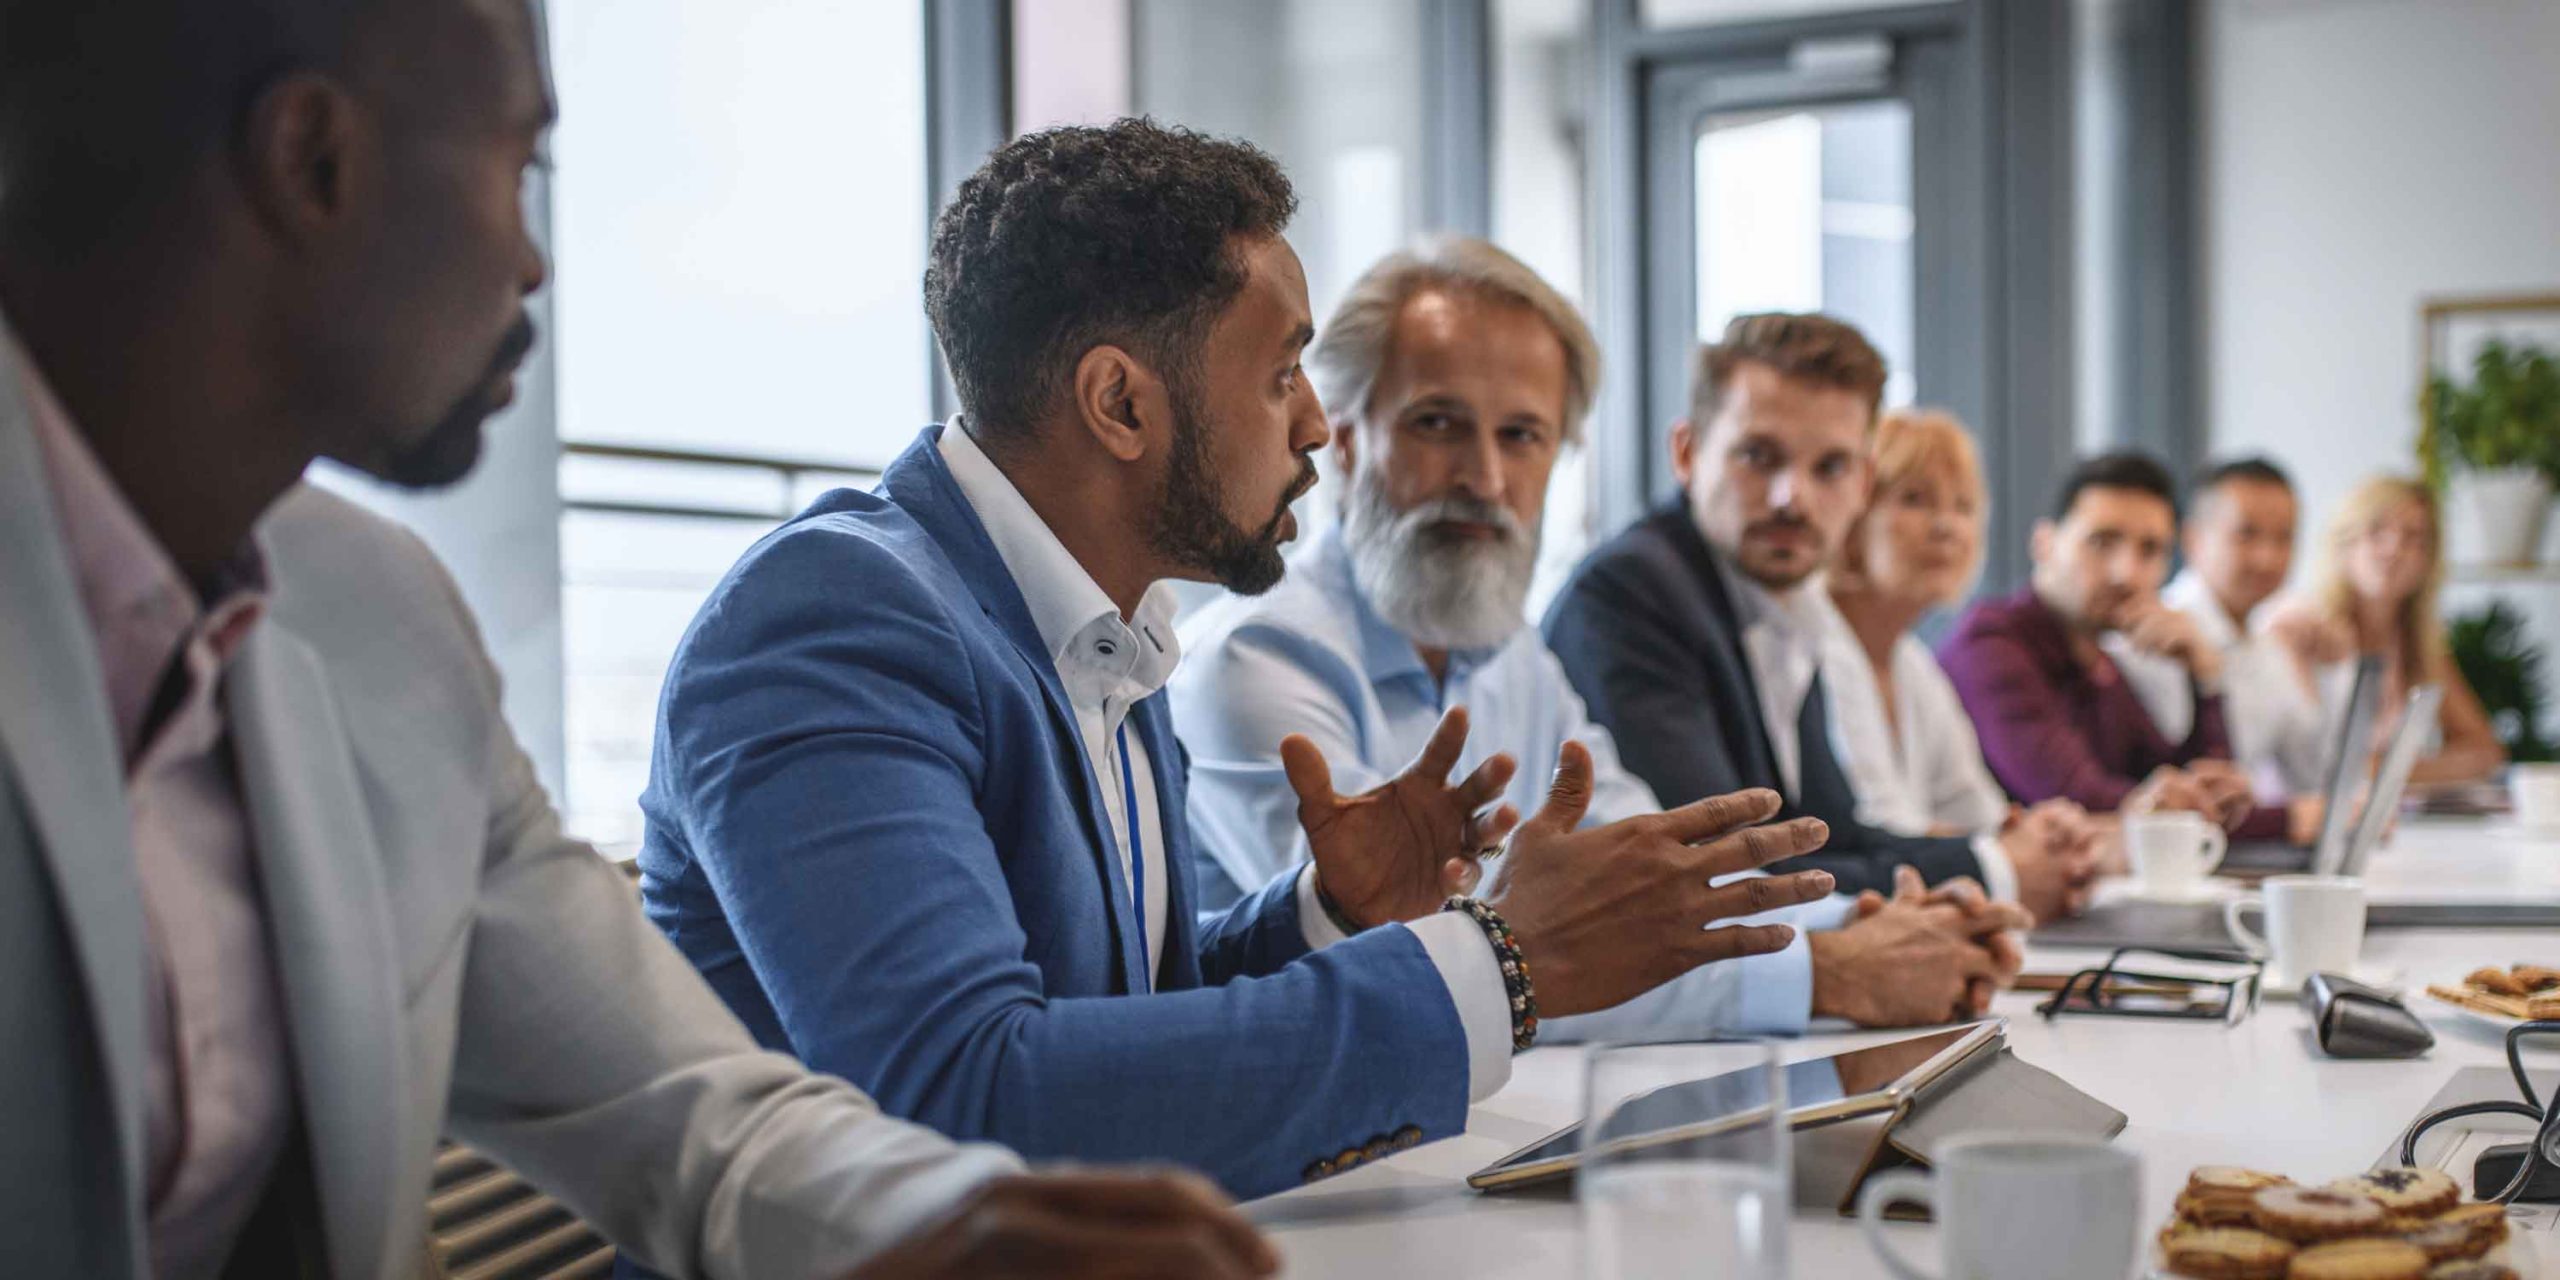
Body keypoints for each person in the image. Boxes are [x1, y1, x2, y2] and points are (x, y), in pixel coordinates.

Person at [0, 3, 1283, 1279]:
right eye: (522, 168)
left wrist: (932, 1222)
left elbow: (689, 1114)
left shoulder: (378, 617)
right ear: (312, 160)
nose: (533, 262)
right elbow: (957, 1070)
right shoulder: (848, 607)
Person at [637, 120, 1839, 1204]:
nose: (1317, 424)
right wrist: (1500, 962)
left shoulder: (1108, 625)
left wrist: (1324, 913)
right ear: (1120, 402)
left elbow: (1113, 1013)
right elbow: (964, 1095)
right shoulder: (834, 619)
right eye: (1280, 375)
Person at [1174, 240, 2029, 1038]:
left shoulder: (1509, 649)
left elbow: (1650, 874)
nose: (1485, 477)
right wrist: (1825, 971)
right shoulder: (1259, 659)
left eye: (1522, 435)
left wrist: (1882, 924)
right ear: (1350, 441)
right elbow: (1417, 968)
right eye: (1437, 424)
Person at [1543, 313, 2099, 921]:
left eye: (1829, 468)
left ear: (1862, 483)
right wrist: (1997, 870)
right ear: (1687, 453)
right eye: (1759, 456)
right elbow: (1732, 871)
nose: (1793, 498)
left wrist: (1997, 852)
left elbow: (1826, 833)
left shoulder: (1788, 603)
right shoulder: (1631, 594)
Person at [1938, 454, 2319, 846]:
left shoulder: (2099, 662)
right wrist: (2285, 819)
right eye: (2102, 543)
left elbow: (2189, 790)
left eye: (2150, 550)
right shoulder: (1989, 648)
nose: (2127, 573)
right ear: (2045, 544)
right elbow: (2083, 798)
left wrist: (2203, 676)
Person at [1820, 408, 2022, 838]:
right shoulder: (1813, 645)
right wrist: (2009, 850)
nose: (1946, 527)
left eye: (1963, 506)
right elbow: (1877, 830)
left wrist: (2042, 834)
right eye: (1914, 499)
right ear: (1852, 516)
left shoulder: (1911, 663)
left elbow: (1974, 807)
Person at [2269, 475, 2507, 787]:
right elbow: (2310, 763)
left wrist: (2385, 770)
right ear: (2344, 543)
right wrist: (2394, 771)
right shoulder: (2304, 629)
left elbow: (2485, 752)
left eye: (2412, 537)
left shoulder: (2417, 646)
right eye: (2376, 531)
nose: (2393, 549)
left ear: (2428, 559)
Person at [2148, 458, 2333, 798]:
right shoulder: (2159, 641)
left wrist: (2322, 669)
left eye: (2284, 538)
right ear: (2193, 540)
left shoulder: (2266, 644)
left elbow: (2314, 774)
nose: (2268, 557)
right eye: (2246, 534)